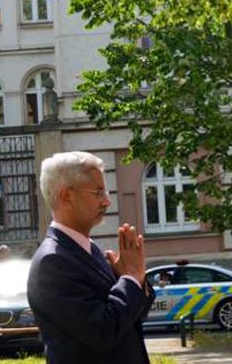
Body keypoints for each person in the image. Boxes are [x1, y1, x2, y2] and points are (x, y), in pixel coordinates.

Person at [27, 152, 154, 364]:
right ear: (67, 196)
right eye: (98, 192)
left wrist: (137, 280)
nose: (107, 202)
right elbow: (102, 332)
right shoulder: (54, 262)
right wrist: (130, 279)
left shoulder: (88, 249)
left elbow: (133, 316)